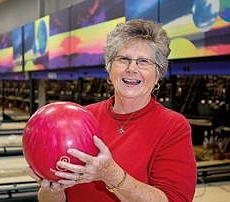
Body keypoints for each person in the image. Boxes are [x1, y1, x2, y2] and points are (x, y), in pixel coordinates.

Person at [28, 19, 197, 202]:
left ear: (158, 75)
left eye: (144, 61)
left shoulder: (173, 126)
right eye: (123, 59)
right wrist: (52, 189)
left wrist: (111, 175)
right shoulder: (84, 119)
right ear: (109, 69)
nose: (132, 69)